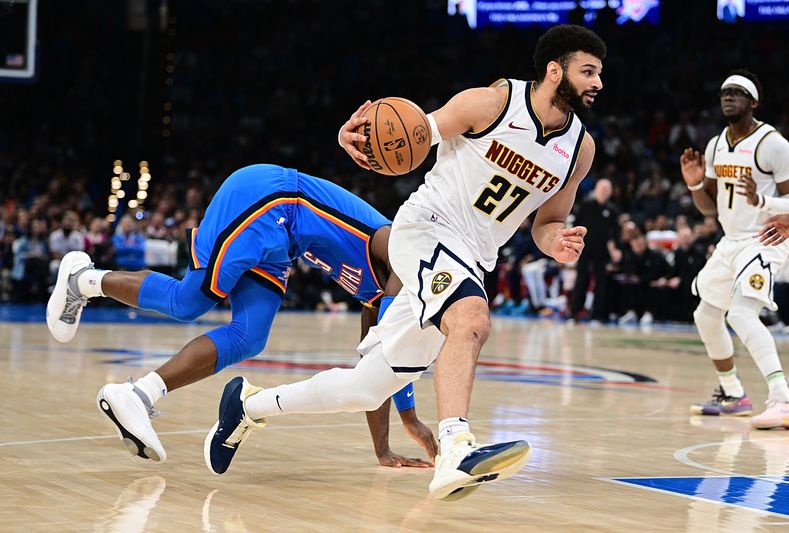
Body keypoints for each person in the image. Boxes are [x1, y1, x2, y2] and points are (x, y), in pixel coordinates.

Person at [204, 25, 604, 500]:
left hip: (473, 258)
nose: (598, 82)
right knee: (472, 319)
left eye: (599, 72)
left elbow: (547, 221)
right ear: (554, 71)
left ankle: (248, 405)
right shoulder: (491, 104)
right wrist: (357, 136)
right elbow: (412, 133)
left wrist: (557, 240)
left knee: (365, 389)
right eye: (588, 71)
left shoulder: (580, 150)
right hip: (426, 229)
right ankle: (457, 447)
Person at [46, 164, 436, 467]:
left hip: (283, 242)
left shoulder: (382, 299)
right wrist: (408, 415)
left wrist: (385, 447)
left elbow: (379, 365)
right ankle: (85, 279)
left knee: (250, 335)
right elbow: (393, 344)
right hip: (270, 198)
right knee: (191, 301)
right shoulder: (399, 250)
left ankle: (139, 393)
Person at [679, 69, 789, 428]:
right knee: (706, 315)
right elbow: (709, 209)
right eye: (724, 93)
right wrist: (696, 183)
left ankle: (785, 401)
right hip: (731, 241)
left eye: (736, 92)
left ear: (753, 102)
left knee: (741, 314)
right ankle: (733, 393)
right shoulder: (716, 144)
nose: (728, 97)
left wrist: (765, 202)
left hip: (765, 238)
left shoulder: (772, 144)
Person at [569, 178, 620, 323]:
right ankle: (574, 313)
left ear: (610, 192)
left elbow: (615, 233)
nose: (605, 192)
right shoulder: (586, 205)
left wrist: (616, 249)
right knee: (581, 280)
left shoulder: (612, 210)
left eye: (607, 189)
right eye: (602, 189)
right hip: (584, 249)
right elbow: (576, 225)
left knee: (600, 283)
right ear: (596, 189)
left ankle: (597, 315)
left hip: (602, 252)